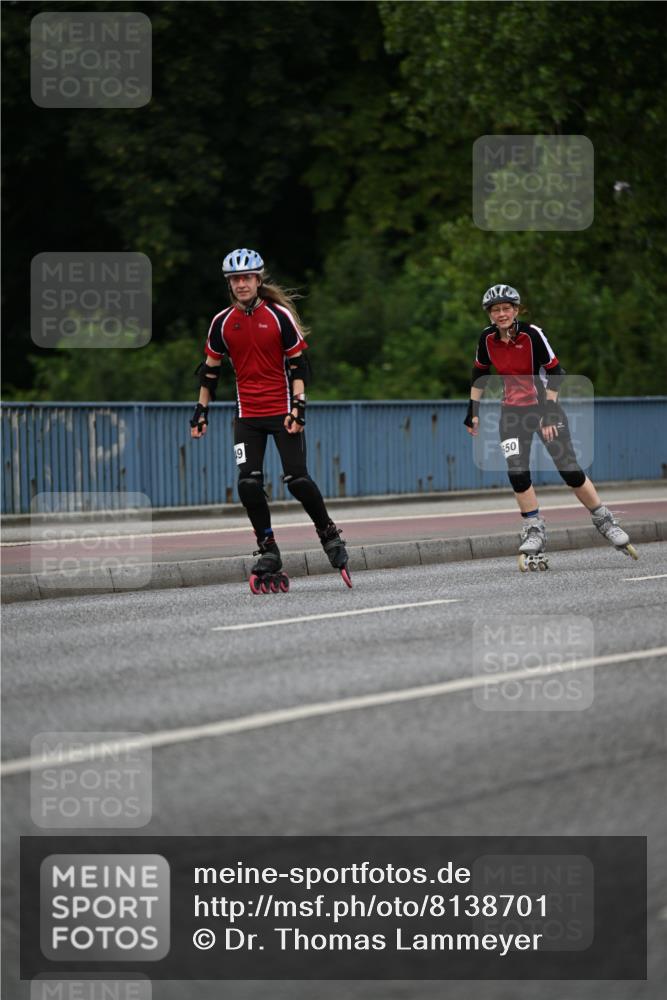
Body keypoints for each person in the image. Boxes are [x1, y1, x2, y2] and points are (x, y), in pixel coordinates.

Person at [190, 248, 352, 591]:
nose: (242, 284)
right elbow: (209, 371)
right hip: (246, 417)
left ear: (258, 279)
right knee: (248, 482)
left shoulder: (278, 316)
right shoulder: (221, 323)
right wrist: (201, 410)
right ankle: (268, 548)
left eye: (247, 278)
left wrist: (299, 408)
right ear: (229, 284)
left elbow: (298, 366)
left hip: (283, 413)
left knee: (297, 479)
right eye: (235, 279)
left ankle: (329, 534)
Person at [464, 283, 637, 570]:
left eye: (507, 308)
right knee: (517, 472)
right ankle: (534, 528)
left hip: (544, 407)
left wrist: (548, 412)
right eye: (496, 310)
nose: (502, 314)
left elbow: (556, 371)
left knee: (569, 469)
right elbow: (479, 372)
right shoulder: (487, 339)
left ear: (516, 310)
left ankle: (605, 520)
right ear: (490, 314)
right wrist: (473, 410)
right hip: (511, 415)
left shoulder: (533, 334)